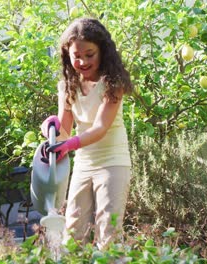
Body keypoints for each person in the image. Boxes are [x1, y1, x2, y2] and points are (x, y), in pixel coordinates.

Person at [40, 18, 133, 249]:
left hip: (113, 162)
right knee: (73, 232)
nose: (82, 61)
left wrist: (68, 145)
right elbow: (64, 131)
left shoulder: (113, 82)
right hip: (84, 164)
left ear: (103, 50)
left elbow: (100, 128)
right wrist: (49, 128)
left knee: (108, 231)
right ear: (66, 54)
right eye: (76, 55)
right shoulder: (68, 85)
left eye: (89, 54)